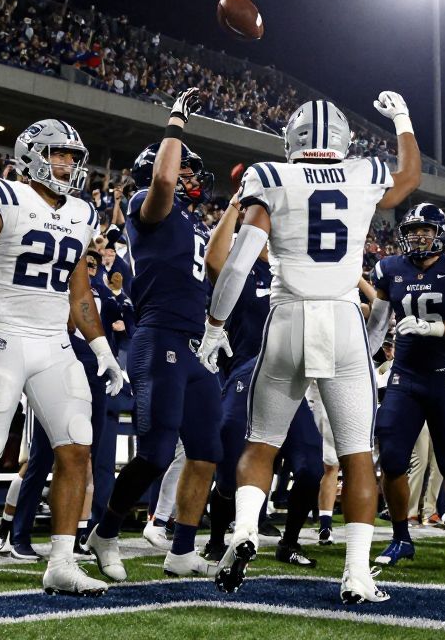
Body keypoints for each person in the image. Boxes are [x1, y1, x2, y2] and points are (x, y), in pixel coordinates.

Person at [199, 91, 421, 604]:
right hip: (342, 317)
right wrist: (403, 120)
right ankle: (357, 575)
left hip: (287, 318)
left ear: (290, 139)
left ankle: (247, 530)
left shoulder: (271, 177)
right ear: (343, 140)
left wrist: (214, 329)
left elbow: (237, 264)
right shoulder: (363, 174)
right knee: (357, 456)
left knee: (261, 444)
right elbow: (408, 179)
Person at [0, 119, 122, 596]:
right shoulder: (3, 198)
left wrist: (101, 347)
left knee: (77, 446)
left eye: (74, 157)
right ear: (34, 154)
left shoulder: (80, 212)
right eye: (60, 154)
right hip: (3, 336)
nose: (70, 164)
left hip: (52, 341)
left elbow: (79, 289)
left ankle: (60, 560)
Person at [87, 89, 224, 581]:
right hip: (158, 337)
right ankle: (105, 531)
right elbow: (165, 177)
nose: (189, 178)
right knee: (155, 453)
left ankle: (182, 550)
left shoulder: (190, 221)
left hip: (190, 348)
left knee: (207, 451)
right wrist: (176, 123)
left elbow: (219, 264)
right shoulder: (150, 203)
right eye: (185, 168)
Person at [202, 191, 324, 569]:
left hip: (289, 377)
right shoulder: (244, 268)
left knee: (311, 468)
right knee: (227, 466)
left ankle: (289, 543)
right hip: (246, 371)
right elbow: (215, 262)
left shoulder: (294, 273)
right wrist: (236, 207)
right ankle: (218, 538)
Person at [365, 204, 445, 568]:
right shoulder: (389, 269)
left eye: (426, 230)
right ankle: (401, 538)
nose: (418, 236)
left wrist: (434, 328)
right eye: (413, 230)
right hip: (405, 376)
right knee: (393, 458)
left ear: (441, 234)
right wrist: (365, 358)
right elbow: (379, 325)